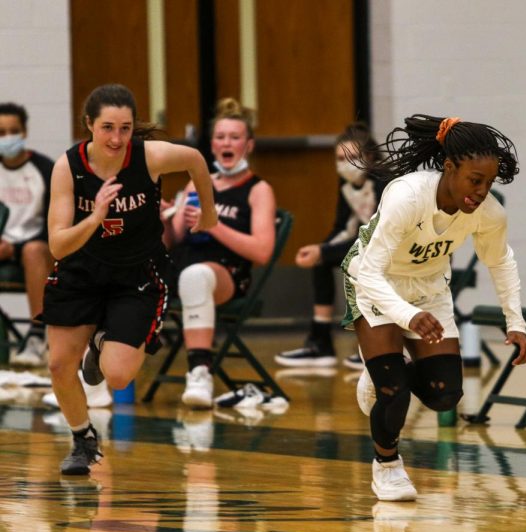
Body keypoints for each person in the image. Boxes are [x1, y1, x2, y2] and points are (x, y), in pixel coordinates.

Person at [343, 114, 526, 501]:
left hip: (429, 289)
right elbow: (372, 273)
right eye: (474, 180)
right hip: (375, 281)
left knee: (445, 394)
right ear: (449, 167)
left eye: (489, 183)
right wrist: (408, 316)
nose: (481, 191)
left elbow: (501, 262)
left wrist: (516, 322)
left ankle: (380, 374)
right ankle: (387, 466)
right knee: (394, 392)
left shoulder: (489, 213)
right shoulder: (407, 196)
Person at [44, 83, 217, 475]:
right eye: (107, 127)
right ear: (89, 125)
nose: (117, 138)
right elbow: (57, 246)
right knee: (58, 365)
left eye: (125, 128)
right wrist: (94, 217)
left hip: (136, 273)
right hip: (81, 269)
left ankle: (100, 339)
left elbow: (194, 158)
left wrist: (209, 211)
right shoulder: (67, 167)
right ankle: (82, 439)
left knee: (119, 374)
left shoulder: (149, 157)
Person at [167, 98, 276, 408]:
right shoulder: (195, 183)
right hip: (184, 262)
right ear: (212, 145)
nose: (226, 143)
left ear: (249, 145)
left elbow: (263, 251)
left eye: (234, 137)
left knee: (196, 276)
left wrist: (212, 224)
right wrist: (161, 217)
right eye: (220, 137)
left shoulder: (258, 189)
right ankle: (94, 375)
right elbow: (174, 238)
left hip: (228, 273)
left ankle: (199, 373)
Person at [275, 123, 383, 370]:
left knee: (360, 264)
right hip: (372, 246)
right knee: (321, 260)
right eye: (340, 158)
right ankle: (320, 342)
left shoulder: (385, 182)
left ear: (370, 156)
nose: (345, 164)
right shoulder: (347, 185)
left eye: (353, 157)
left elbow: (377, 235)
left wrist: (323, 251)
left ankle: (375, 345)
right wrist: (320, 250)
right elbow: (343, 227)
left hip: (396, 249)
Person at [0, 102, 54, 366]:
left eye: (13, 130)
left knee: (33, 251)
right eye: (1, 132)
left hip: (37, 247)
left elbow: (56, 222)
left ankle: (37, 334)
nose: (7, 138)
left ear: (24, 132)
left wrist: (16, 247)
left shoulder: (45, 169)